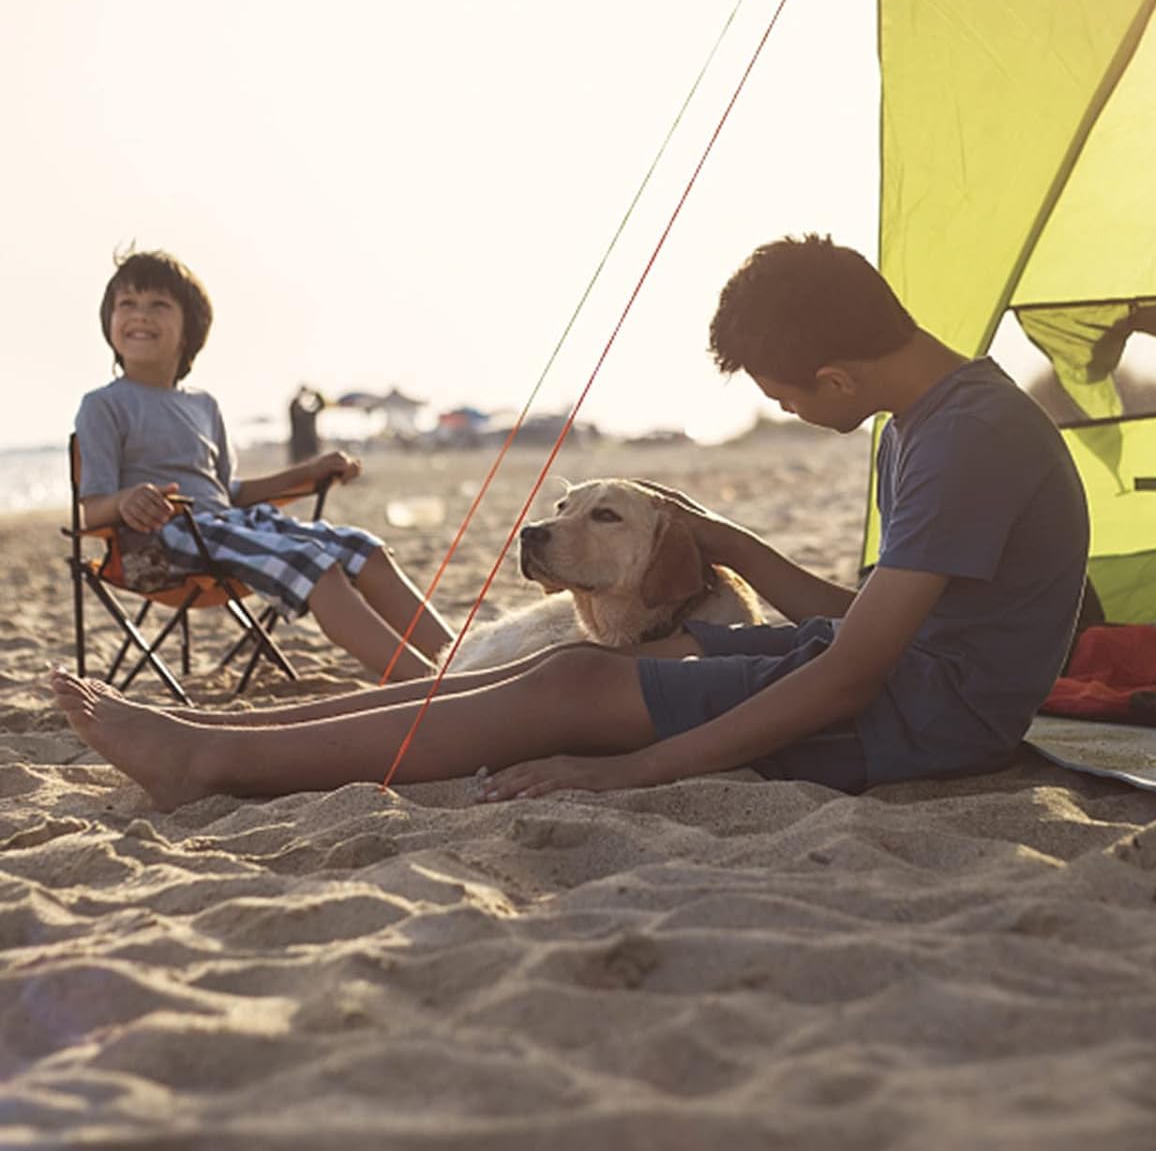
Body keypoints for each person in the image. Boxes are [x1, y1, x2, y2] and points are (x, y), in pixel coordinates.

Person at [53, 235, 1090, 811]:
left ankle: (214, 761)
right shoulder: (926, 417)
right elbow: (859, 618)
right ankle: (208, 735)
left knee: (570, 687)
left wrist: (632, 768)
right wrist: (724, 543)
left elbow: (859, 670)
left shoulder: (964, 438)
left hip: (922, 724)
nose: (786, 412)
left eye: (782, 396)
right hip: (888, 678)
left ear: (833, 375)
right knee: (523, 675)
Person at [73, 249, 451, 682]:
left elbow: (227, 493)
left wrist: (308, 473)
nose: (140, 316)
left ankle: (464, 663)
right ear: (109, 323)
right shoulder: (103, 405)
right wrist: (126, 501)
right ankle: (425, 684)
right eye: (127, 304)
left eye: (158, 305)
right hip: (160, 541)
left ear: (189, 330)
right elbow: (94, 509)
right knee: (313, 563)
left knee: (364, 550)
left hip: (227, 526)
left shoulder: (203, 405)